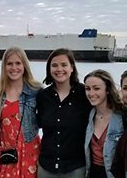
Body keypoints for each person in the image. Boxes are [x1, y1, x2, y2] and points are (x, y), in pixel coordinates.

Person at [36, 48, 93, 178]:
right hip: (46, 167)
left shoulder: (84, 94)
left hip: (75, 168)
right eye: (54, 65)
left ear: (72, 67)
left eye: (64, 65)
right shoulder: (43, 96)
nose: (59, 69)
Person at [0, 46, 42, 178]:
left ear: (24, 65)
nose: (14, 68)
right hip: (4, 151)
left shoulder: (35, 89)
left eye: (18, 63)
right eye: (10, 64)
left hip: (28, 150)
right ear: (4, 66)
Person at [84, 70, 127, 178]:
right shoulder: (89, 115)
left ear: (107, 90)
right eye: (88, 89)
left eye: (96, 88)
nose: (91, 93)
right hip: (92, 173)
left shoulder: (123, 116)